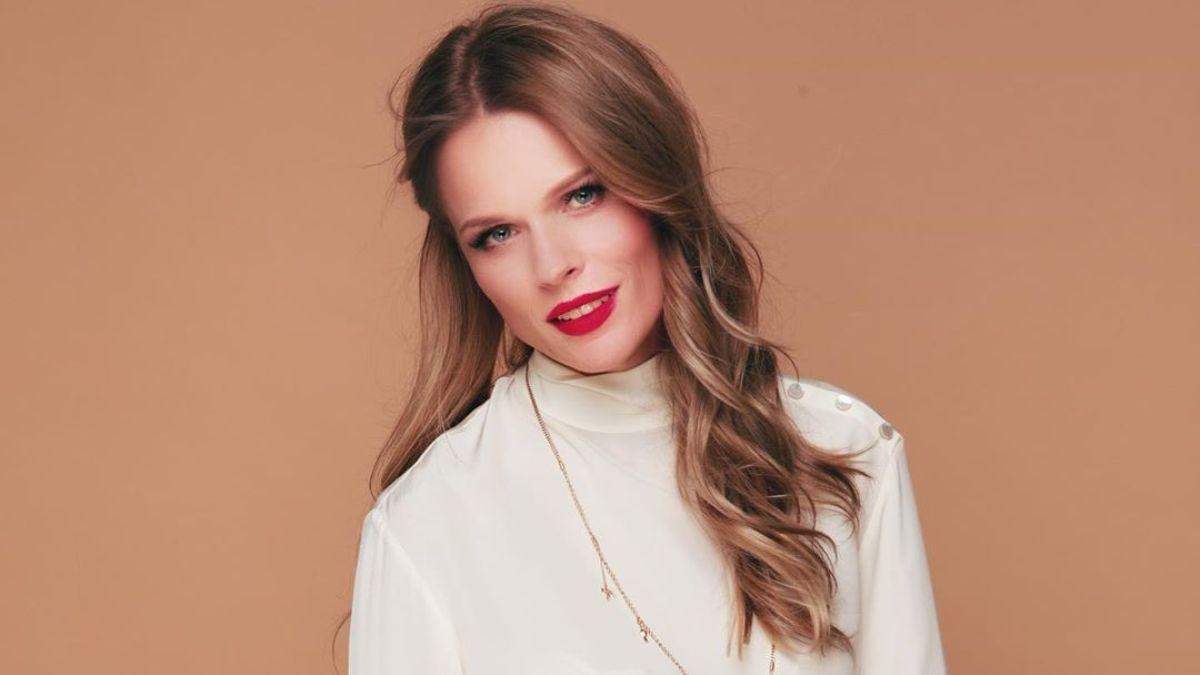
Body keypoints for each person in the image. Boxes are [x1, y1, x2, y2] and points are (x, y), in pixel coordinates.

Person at [346, 2, 946, 673]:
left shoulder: (845, 453)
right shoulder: (429, 525)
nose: (553, 265)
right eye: (498, 234)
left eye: (582, 196)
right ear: (468, 265)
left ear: (654, 182)